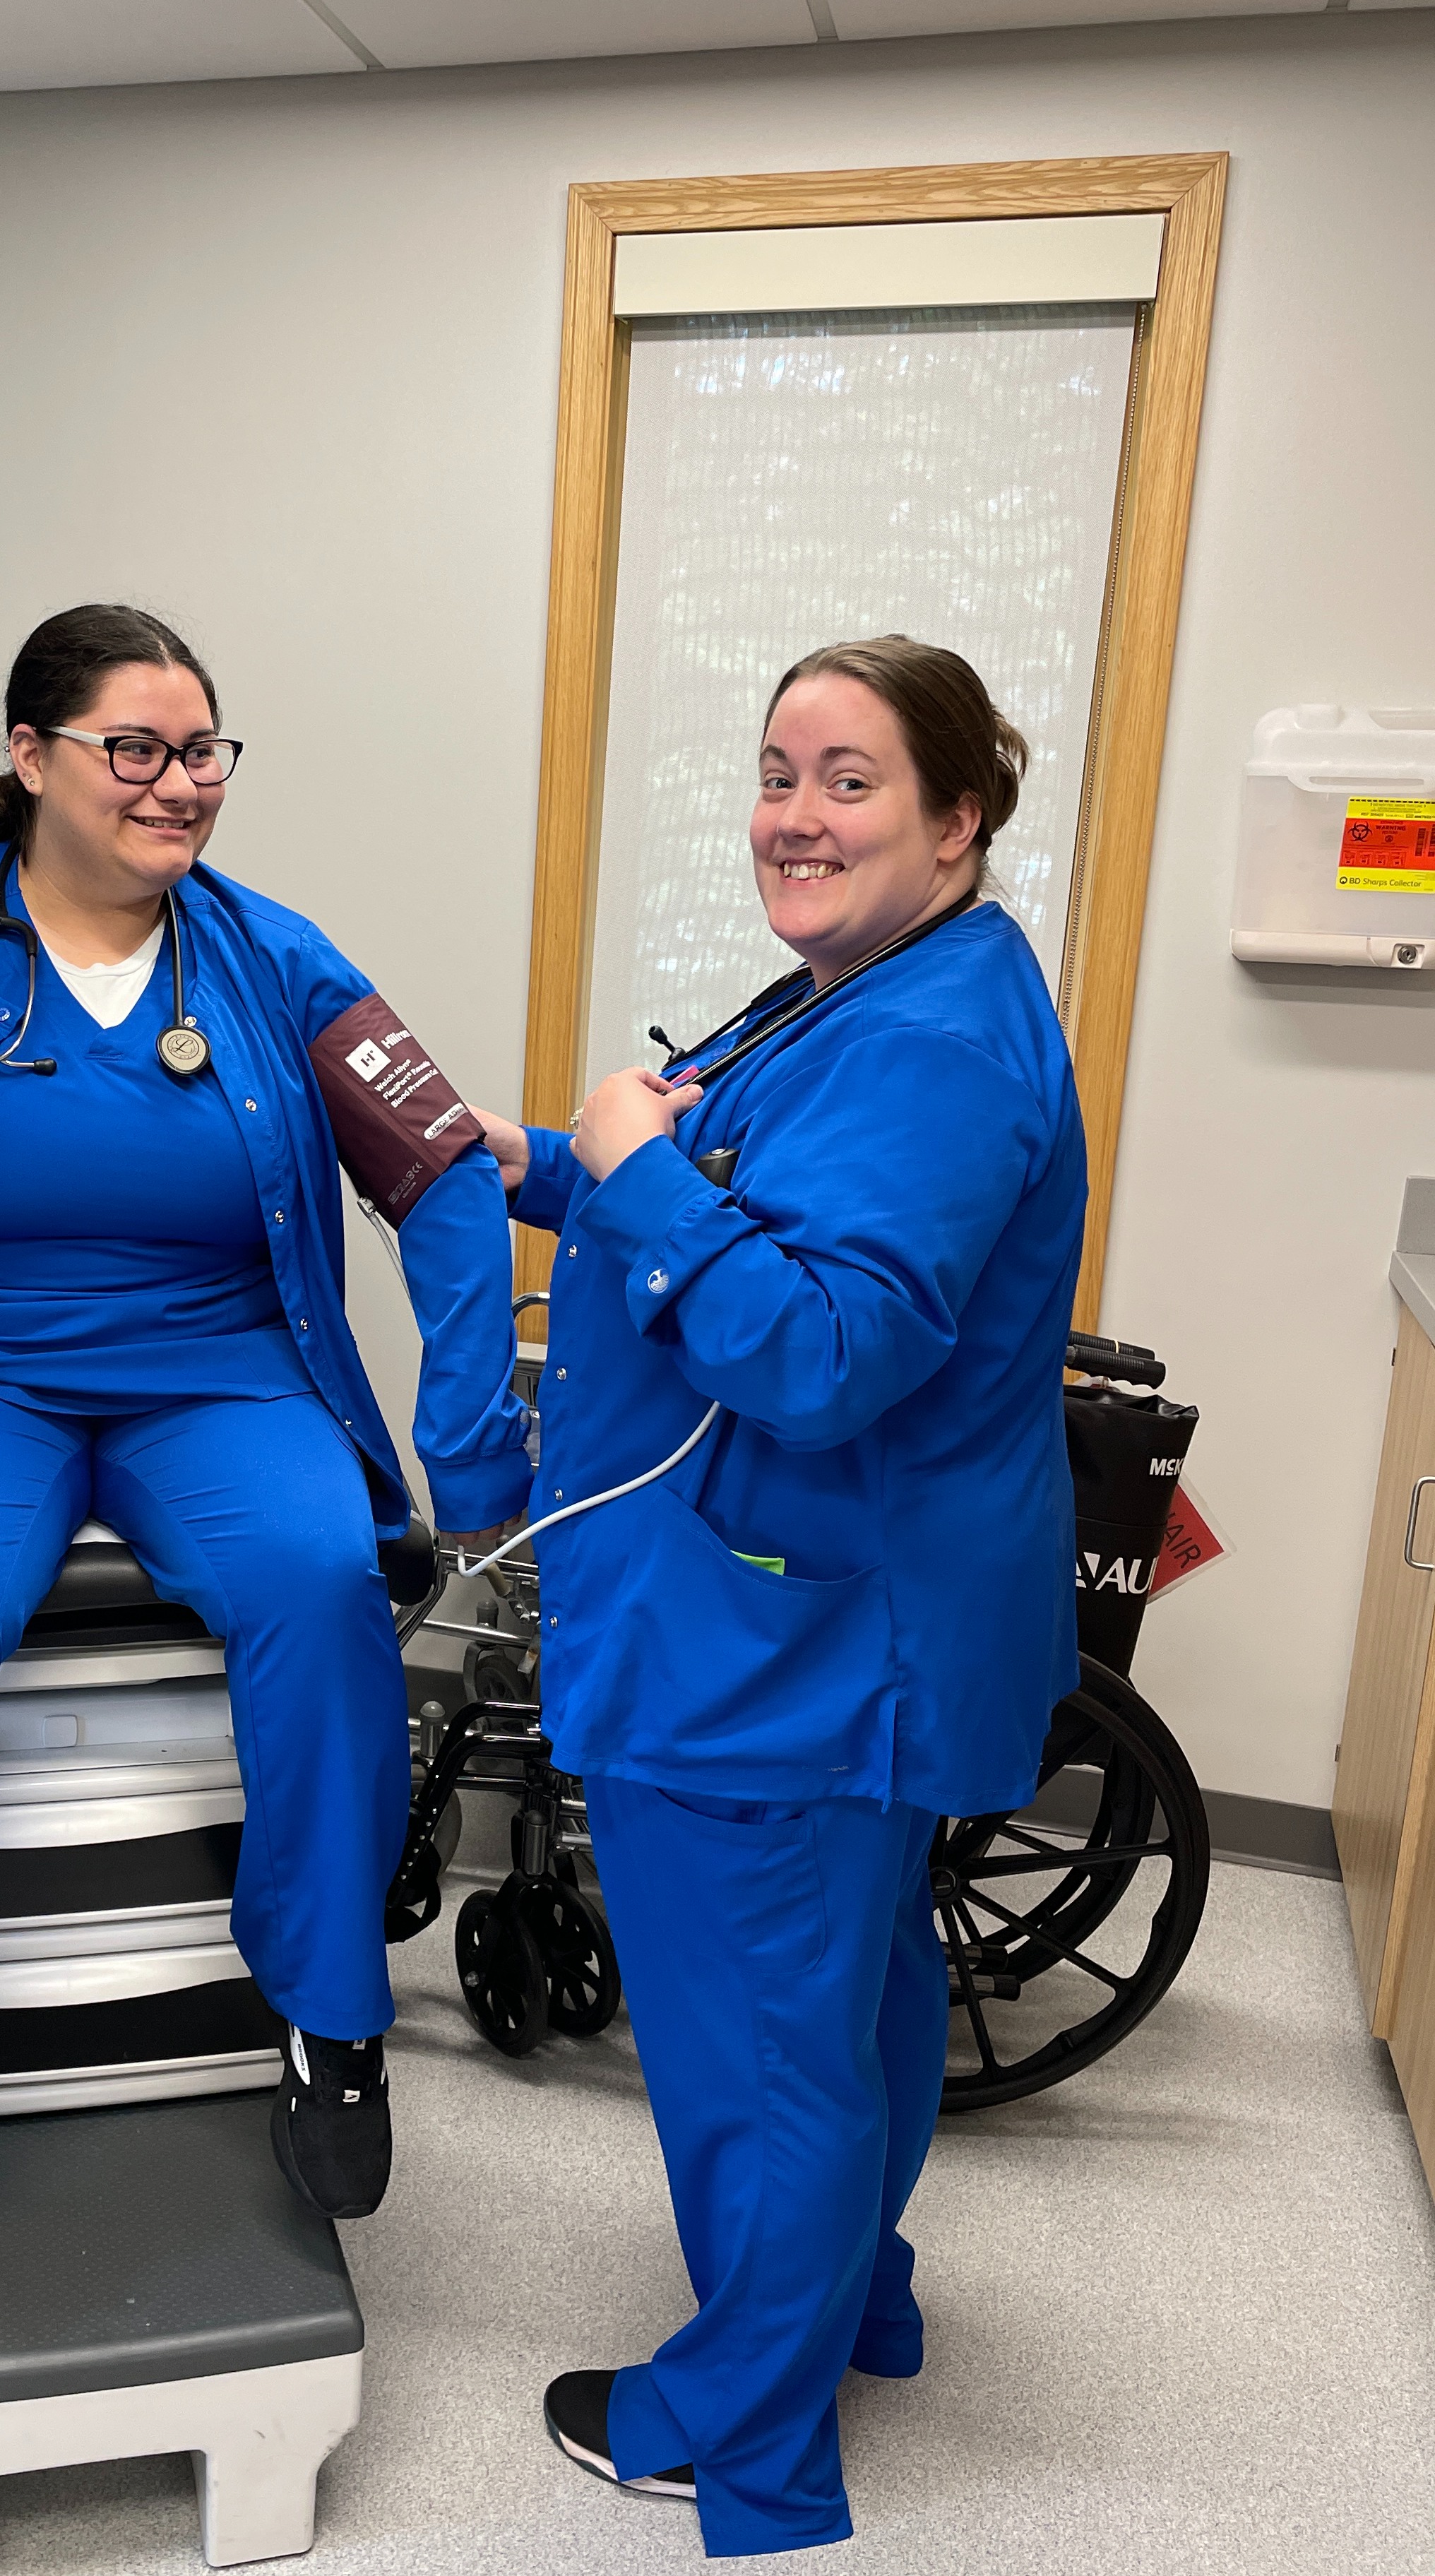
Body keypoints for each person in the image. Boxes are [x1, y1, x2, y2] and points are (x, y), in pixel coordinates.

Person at [0, 604, 531, 2322]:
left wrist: (467, 1435)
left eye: (204, 750)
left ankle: (332, 2023)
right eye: (135, 749)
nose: (180, 785)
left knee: (319, 1582)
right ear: (31, 759)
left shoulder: (276, 958)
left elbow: (443, 1166)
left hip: (218, 1372)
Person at [470, 636, 1086, 2557]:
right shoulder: (872, 986)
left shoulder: (930, 1041)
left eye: (850, 783)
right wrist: (547, 1165)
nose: (793, 817)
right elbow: (749, 1182)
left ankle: (741, 2434)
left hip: (795, 1650)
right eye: (775, 772)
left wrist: (639, 1177)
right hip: (819, 1623)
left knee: (758, 2047)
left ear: (959, 818)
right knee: (859, 1995)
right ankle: (852, 2302)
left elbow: (817, 1349)